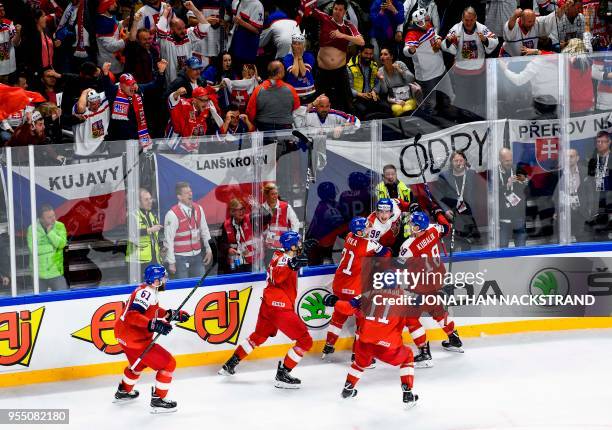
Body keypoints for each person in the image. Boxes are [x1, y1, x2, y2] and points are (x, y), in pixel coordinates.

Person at [219, 231, 310, 388]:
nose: (300, 245)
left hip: (268, 304)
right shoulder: (285, 260)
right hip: (279, 307)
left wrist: (295, 260)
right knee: (305, 340)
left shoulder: (278, 254)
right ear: (292, 245)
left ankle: (230, 364)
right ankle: (283, 374)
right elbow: (278, 276)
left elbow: (286, 264)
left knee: (259, 336)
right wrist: (291, 265)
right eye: (298, 243)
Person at [113, 264, 190, 412]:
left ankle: (124, 391)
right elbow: (132, 315)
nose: (165, 280)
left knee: (138, 363)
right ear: (156, 281)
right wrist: (152, 325)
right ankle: (158, 400)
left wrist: (170, 314)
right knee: (169, 364)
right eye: (163, 278)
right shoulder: (146, 293)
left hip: (123, 336)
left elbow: (150, 311)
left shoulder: (147, 290)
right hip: (135, 339)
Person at [322, 291, 418, 405]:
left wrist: (335, 302)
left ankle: (348, 388)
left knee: (359, 363)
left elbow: (347, 308)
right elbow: (413, 322)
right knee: (407, 356)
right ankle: (407, 392)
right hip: (388, 346)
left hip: (365, 342)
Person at [397, 211, 462, 368]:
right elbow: (446, 227)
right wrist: (439, 213)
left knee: (411, 319)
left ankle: (424, 353)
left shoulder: (408, 246)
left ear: (419, 228)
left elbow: (397, 266)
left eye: (413, 224)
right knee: (437, 310)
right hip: (438, 279)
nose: (410, 226)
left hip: (422, 286)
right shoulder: (433, 229)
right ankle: (454, 338)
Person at [321, 217, 391, 359]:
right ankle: (357, 355)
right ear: (359, 231)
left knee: (338, 316)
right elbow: (387, 254)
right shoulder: (369, 244)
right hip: (355, 288)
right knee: (362, 322)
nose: (368, 229)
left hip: (339, 285)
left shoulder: (349, 236)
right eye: (365, 228)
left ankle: (328, 345)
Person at [309, 0, 365, 113]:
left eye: (340, 10)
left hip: (340, 71)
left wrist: (342, 35)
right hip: (322, 71)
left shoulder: (348, 25)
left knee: (346, 101)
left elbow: (361, 42)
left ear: (344, 12)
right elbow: (310, 10)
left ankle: (350, 126)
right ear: (332, 9)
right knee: (318, 100)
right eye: (335, 9)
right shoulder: (325, 18)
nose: (337, 12)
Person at [443, 8, 498, 115]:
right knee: (462, 100)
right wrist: (450, 40)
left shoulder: (482, 28)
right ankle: (462, 120)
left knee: (479, 99)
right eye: (466, 20)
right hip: (461, 72)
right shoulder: (456, 28)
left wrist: (485, 40)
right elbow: (445, 44)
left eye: (471, 20)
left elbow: (495, 40)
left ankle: (478, 118)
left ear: (475, 18)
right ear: (462, 18)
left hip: (478, 71)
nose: (469, 23)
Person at [102, 63, 167, 153]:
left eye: (133, 84)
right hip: (119, 139)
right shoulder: (114, 92)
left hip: (138, 135)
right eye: (129, 85)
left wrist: (161, 72)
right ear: (121, 85)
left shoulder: (139, 90)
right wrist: (105, 73)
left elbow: (155, 85)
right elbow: (106, 85)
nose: (132, 87)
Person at [433, 150, 482, 251]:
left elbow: (478, 192)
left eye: (461, 160)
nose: (459, 163)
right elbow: (438, 196)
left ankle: (466, 265)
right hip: (452, 215)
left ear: (465, 161)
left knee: (467, 247)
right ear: (451, 162)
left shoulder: (472, 174)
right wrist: (445, 210)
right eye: (456, 161)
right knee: (451, 247)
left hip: (468, 216)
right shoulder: (444, 176)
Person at [163, 181, 213, 279]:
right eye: (186, 193)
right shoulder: (172, 214)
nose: (190, 194)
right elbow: (168, 240)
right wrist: (171, 262)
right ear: (179, 196)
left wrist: (209, 249)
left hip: (197, 255)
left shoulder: (198, 209)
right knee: (183, 287)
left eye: (190, 191)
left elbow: (205, 231)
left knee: (200, 286)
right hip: (180, 258)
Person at [156, 1, 212, 84]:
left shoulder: (188, 34)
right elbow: (160, 29)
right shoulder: (165, 39)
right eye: (179, 29)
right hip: (171, 83)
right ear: (171, 29)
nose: (183, 31)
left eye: (183, 27)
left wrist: (193, 9)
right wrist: (166, 12)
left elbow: (205, 26)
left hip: (188, 82)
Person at [403, 8, 445, 114]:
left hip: (441, 68)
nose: (427, 22)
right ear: (418, 23)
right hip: (428, 75)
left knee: (446, 98)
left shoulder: (428, 25)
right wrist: (410, 50)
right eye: (424, 21)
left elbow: (433, 35)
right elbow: (406, 50)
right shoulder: (412, 34)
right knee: (430, 105)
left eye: (427, 19)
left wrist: (438, 38)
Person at [246, 60, 300, 132]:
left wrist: (254, 124)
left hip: (264, 128)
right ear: (279, 73)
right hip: (285, 128)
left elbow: (250, 112)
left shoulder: (258, 89)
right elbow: (296, 108)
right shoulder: (291, 89)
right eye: (283, 69)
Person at [165, 85, 223, 152]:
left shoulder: (206, 106)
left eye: (207, 100)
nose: (206, 103)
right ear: (195, 100)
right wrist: (177, 93)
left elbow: (210, 90)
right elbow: (173, 102)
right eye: (203, 100)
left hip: (193, 144)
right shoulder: (184, 105)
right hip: (175, 141)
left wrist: (219, 86)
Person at [27, 204, 68, 291]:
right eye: (49, 217)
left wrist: (50, 233)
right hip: (38, 274)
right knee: (38, 302)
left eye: (53, 215)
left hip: (56, 272)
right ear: (41, 219)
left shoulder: (60, 226)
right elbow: (33, 249)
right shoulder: (32, 229)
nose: (53, 219)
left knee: (62, 298)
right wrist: (52, 248)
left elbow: (61, 244)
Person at [500, 5, 568, 57]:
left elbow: (550, 19)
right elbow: (509, 28)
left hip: (528, 58)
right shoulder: (515, 24)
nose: (532, 24)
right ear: (522, 20)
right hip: (509, 56)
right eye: (529, 22)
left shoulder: (536, 23)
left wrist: (561, 10)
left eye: (533, 21)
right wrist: (515, 15)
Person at [347, 44, 389, 119]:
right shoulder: (350, 67)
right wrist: (360, 94)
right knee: (364, 111)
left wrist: (374, 91)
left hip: (372, 96)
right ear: (360, 53)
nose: (368, 56)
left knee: (387, 108)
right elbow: (347, 87)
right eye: (366, 53)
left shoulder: (374, 65)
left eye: (371, 54)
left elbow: (377, 82)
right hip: (357, 98)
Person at [125, 189, 163, 271]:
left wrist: (162, 246)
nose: (150, 201)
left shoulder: (152, 214)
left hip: (153, 258)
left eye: (150, 198)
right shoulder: (132, 215)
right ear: (138, 202)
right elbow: (132, 233)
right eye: (146, 200)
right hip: (138, 262)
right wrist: (150, 230)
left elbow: (154, 236)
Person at [261, 183, 300, 260]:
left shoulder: (285, 206)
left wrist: (292, 239)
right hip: (268, 248)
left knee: (284, 270)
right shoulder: (262, 208)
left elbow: (295, 223)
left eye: (276, 193)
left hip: (284, 247)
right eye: (272, 194)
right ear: (266, 195)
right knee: (271, 270)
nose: (275, 196)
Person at [498, 148, 528, 248]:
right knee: (502, 246)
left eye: (511, 160)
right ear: (500, 160)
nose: (509, 162)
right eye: (507, 161)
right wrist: (507, 185)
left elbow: (527, 182)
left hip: (518, 215)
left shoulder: (517, 168)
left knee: (521, 246)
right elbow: (491, 191)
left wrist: (523, 180)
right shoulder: (494, 173)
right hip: (503, 217)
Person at [293, 94, 360, 138]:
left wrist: (342, 126)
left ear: (330, 105)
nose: (324, 109)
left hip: (331, 148)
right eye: (321, 106)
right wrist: (312, 104)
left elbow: (354, 119)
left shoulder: (334, 113)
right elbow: (295, 113)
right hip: (310, 147)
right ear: (316, 106)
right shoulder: (308, 113)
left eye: (327, 106)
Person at [377, 47, 418, 117]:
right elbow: (384, 91)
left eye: (385, 54)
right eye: (381, 54)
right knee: (397, 110)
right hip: (395, 100)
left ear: (391, 56)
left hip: (408, 97)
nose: (382, 57)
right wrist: (381, 79)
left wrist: (400, 71)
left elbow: (411, 79)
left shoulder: (400, 64)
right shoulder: (381, 70)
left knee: (407, 109)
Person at [586, 131, 612, 239]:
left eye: (602, 142)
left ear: (609, 142)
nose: (599, 144)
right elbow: (589, 178)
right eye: (598, 142)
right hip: (598, 196)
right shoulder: (593, 159)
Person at [219, 198, 255, 274]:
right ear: (232, 212)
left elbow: (266, 217)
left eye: (242, 209)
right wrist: (228, 249)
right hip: (235, 263)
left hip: (251, 263)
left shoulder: (250, 219)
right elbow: (221, 243)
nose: (241, 212)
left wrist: (256, 206)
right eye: (238, 210)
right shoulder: (226, 225)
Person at [228, 0, 264, 72]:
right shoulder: (238, 1)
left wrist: (241, 22)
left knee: (246, 74)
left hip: (247, 47)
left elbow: (257, 30)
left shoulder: (257, 5)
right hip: (236, 43)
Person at [72, 88, 109, 157]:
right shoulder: (82, 110)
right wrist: (85, 92)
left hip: (101, 150)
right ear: (87, 103)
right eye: (93, 104)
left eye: (98, 103)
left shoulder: (103, 104)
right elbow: (80, 108)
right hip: (82, 153)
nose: (97, 106)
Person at [283, 29, 316, 103]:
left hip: (308, 92)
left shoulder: (309, 56)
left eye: (299, 43)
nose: (297, 46)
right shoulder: (287, 57)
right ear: (291, 45)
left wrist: (299, 57)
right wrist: (295, 57)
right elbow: (295, 73)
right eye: (295, 43)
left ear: (303, 45)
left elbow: (303, 73)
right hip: (293, 93)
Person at [95, 0, 125, 75]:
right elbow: (110, 46)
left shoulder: (109, 18)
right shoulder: (103, 23)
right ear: (106, 5)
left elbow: (114, 28)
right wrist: (125, 40)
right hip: (109, 65)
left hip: (114, 61)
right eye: (112, 3)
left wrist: (123, 23)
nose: (116, 5)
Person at [0, 4, 22, 83]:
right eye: (0, 11)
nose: (2, 13)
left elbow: (16, 43)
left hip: (7, 67)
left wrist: (18, 33)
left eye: (3, 10)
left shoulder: (9, 24)